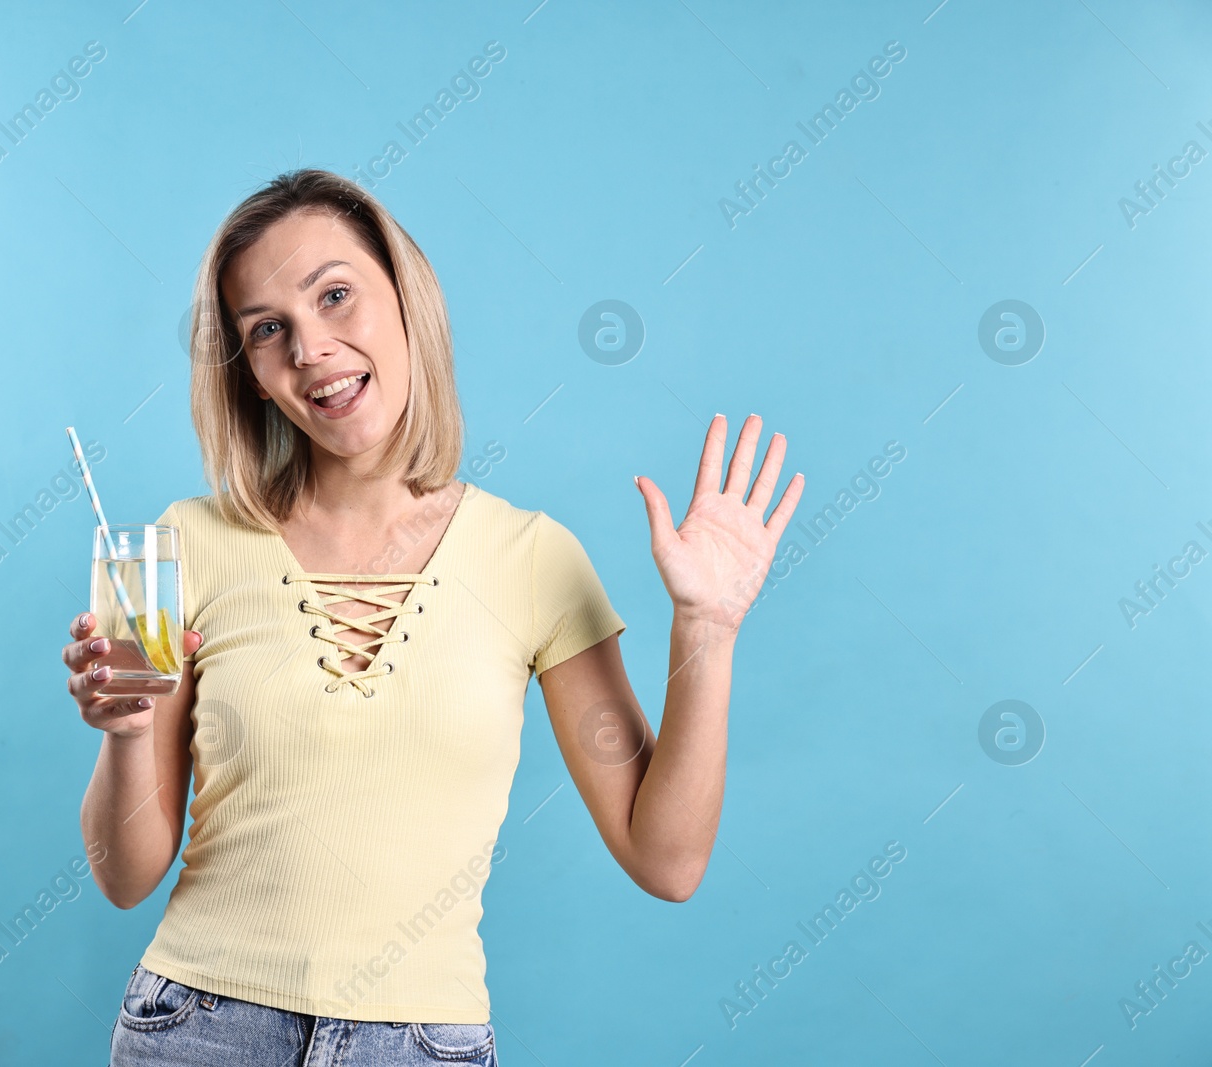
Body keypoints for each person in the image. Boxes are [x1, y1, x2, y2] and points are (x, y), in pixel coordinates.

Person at [62, 169, 804, 1066]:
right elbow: (124, 875)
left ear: (409, 303)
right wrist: (129, 729)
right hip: (199, 1030)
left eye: (336, 295)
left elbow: (667, 860)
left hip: (420, 1045)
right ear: (252, 375)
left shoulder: (534, 560)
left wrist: (708, 634)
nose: (311, 348)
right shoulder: (181, 547)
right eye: (268, 330)